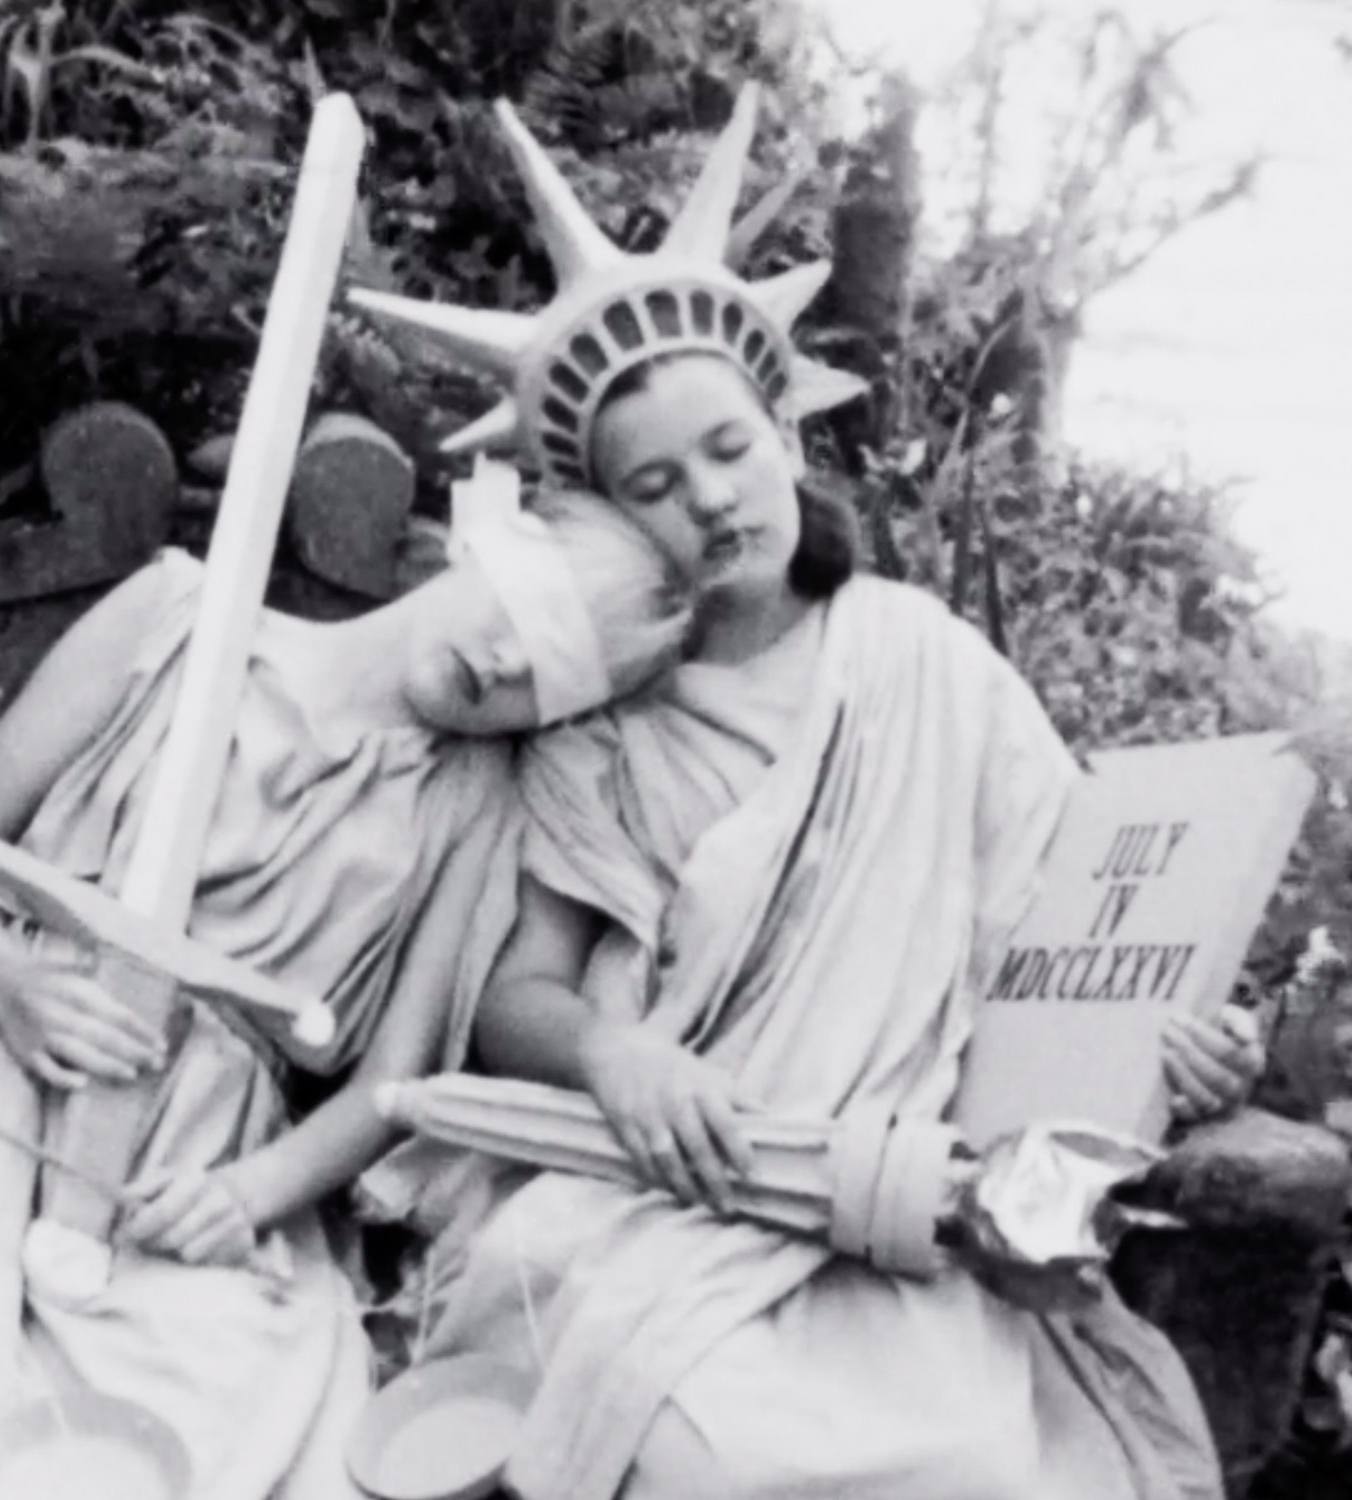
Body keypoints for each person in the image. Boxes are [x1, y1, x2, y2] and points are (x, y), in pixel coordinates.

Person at [351, 84, 1263, 1500]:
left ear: (787, 439)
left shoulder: (925, 664)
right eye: (653, 482)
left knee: (970, 1462)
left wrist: (1192, 1045)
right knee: (704, 1447)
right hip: (668, 1182)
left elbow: (1075, 940)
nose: (710, 500)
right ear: (601, 515)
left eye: (728, 450)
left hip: (905, 1195)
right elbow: (518, 992)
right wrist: (616, 1056)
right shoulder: (602, 730)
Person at [0, 479, 692, 1500]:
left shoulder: (472, 803)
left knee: (209, 1456)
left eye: (550, 676)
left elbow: (390, 1084)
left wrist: (255, 1193)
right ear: (483, 545)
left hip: (197, 1152)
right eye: (524, 613)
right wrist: (10, 984)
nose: (505, 662)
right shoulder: (174, 618)